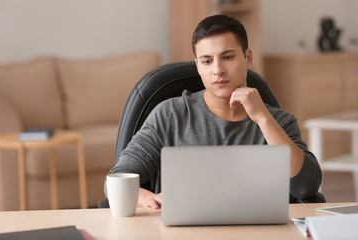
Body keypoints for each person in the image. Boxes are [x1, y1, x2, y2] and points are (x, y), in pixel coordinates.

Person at [106, 15, 322, 209]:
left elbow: (307, 188)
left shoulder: (279, 122)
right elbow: (116, 180)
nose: (217, 70)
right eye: (207, 61)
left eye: (227, 57)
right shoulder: (169, 115)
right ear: (198, 66)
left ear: (248, 57)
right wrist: (146, 199)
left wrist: (263, 118)